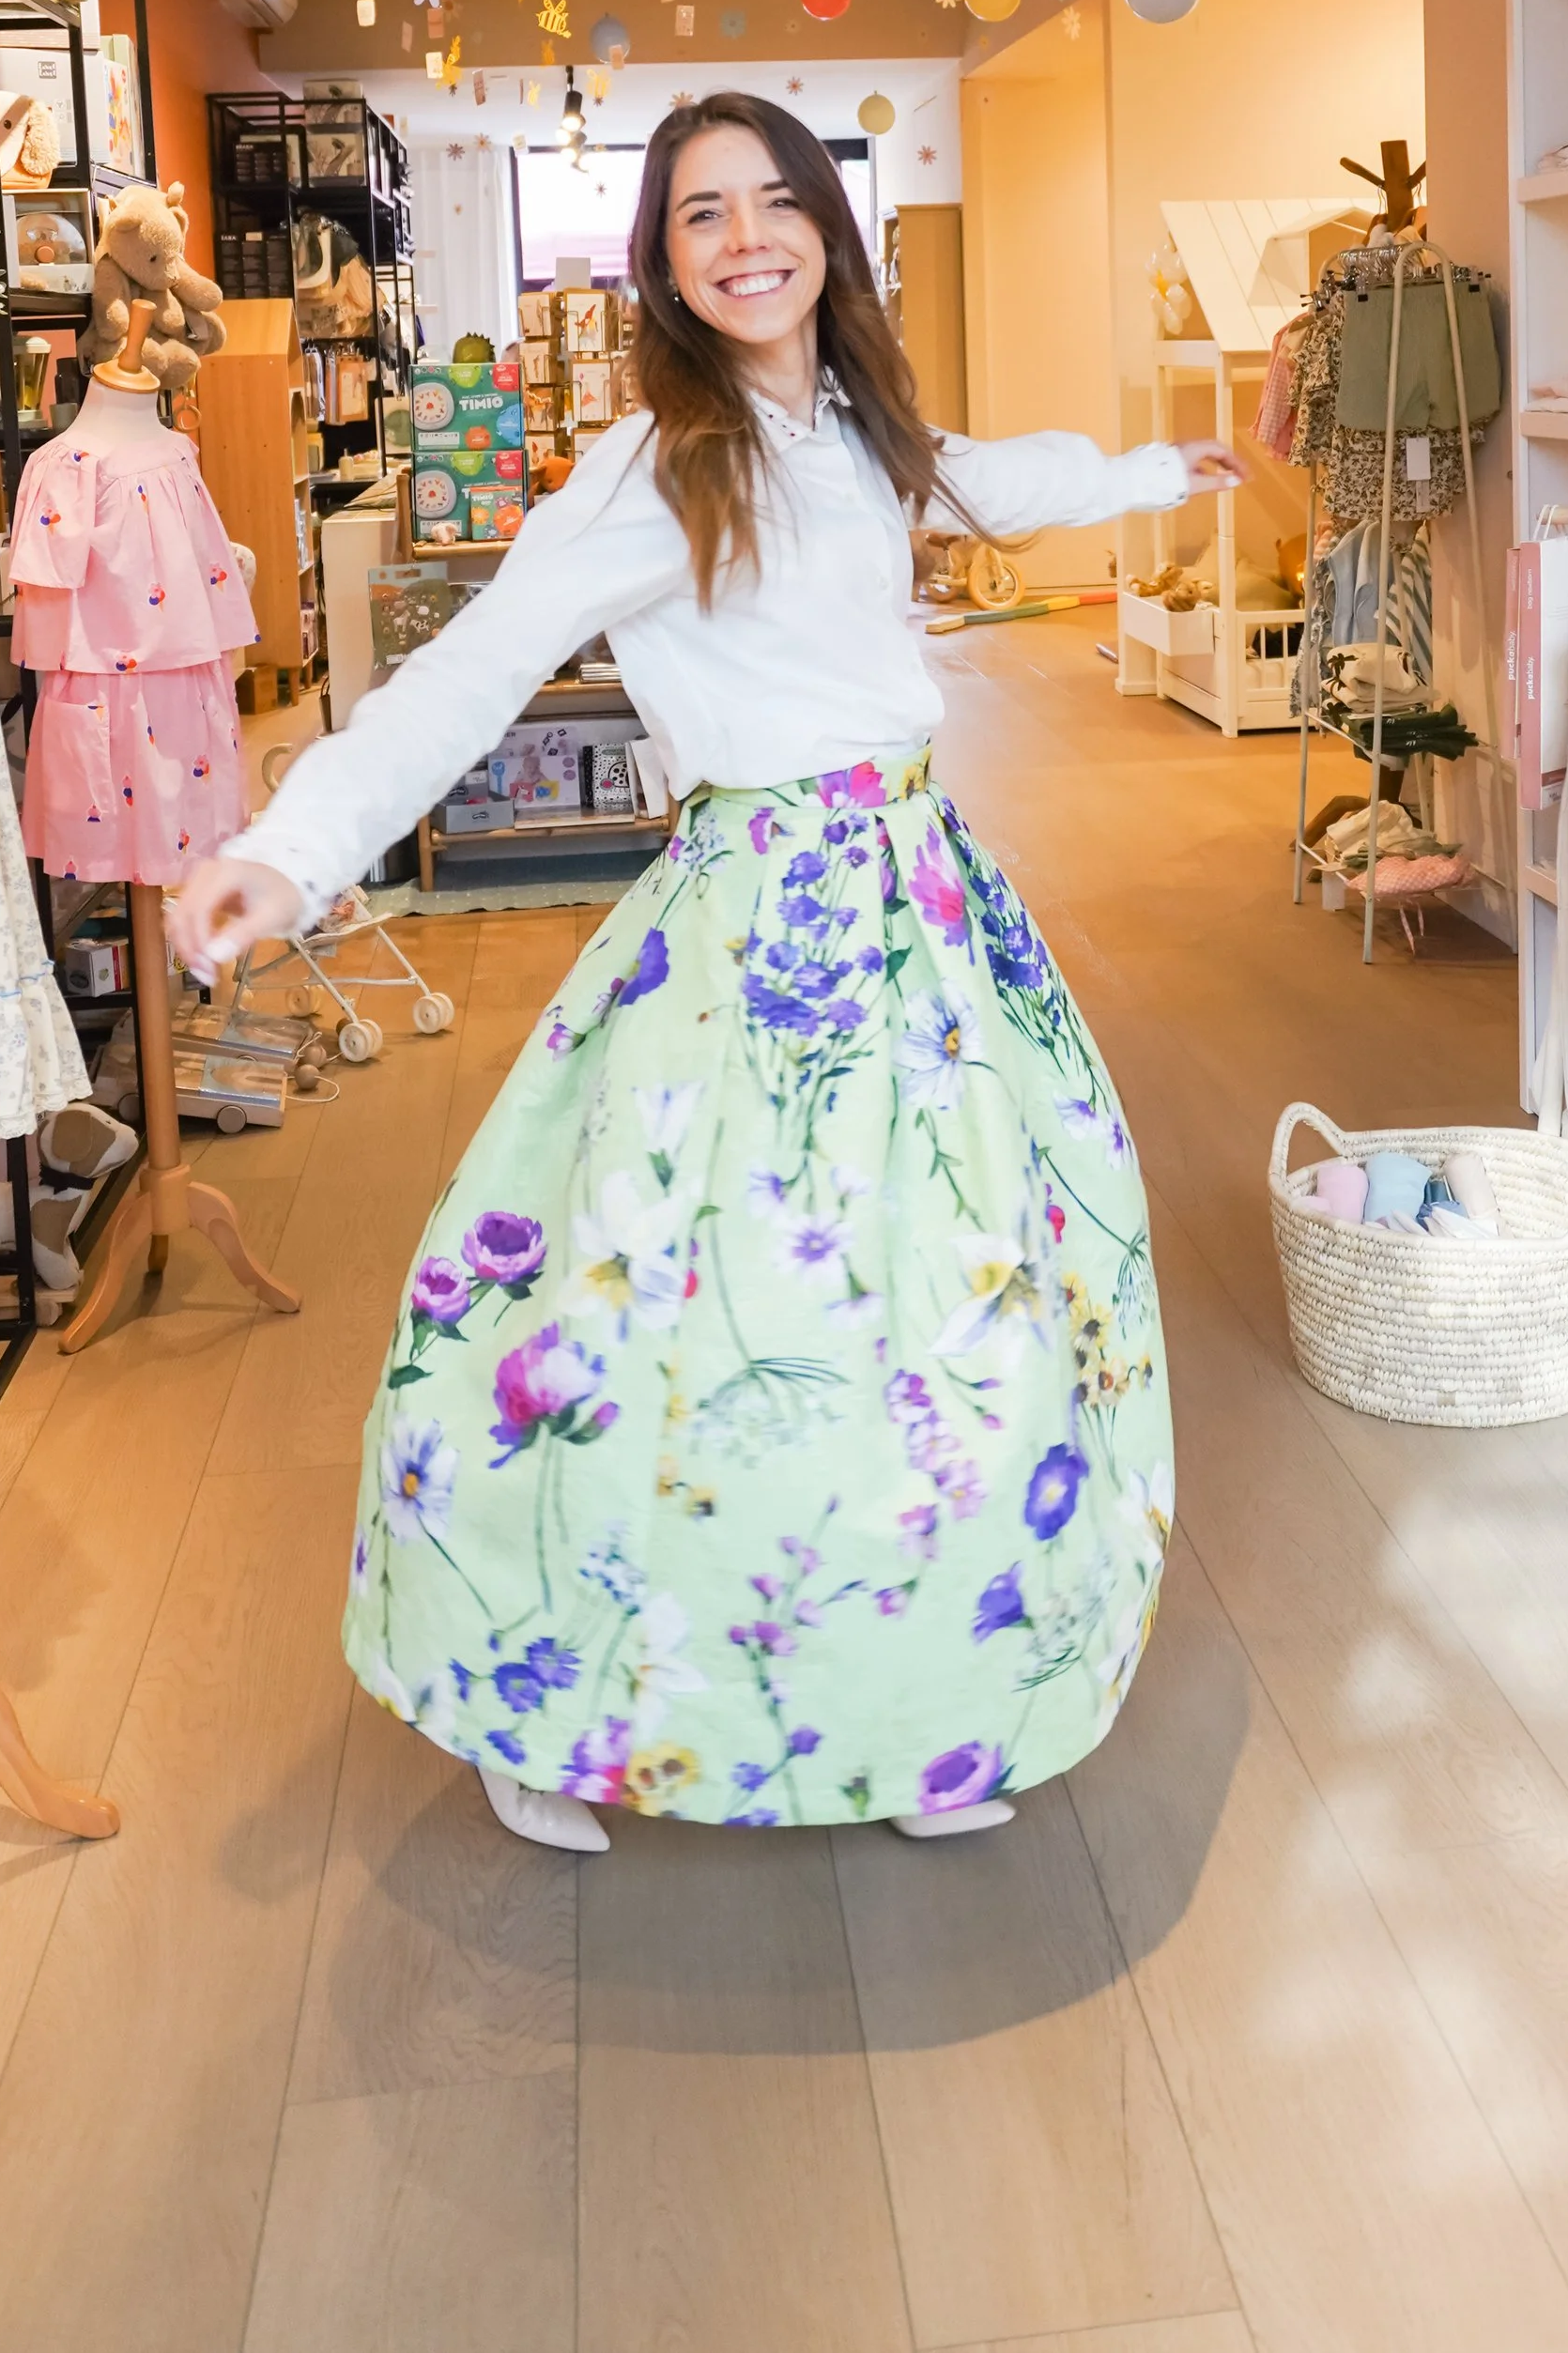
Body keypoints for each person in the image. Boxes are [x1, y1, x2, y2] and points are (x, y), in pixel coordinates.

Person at [173, 96, 1245, 1852]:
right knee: (651, 1318)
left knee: (950, 1311)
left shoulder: (856, 417)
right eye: (699, 216)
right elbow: (472, 675)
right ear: (661, 261)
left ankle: (923, 1709)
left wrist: (1154, 473)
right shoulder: (650, 467)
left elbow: (991, 475)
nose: (745, 237)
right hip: (752, 938)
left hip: (924, 905)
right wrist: (293, 849)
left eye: (773, 201)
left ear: (826, 220)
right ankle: (550, 1707)